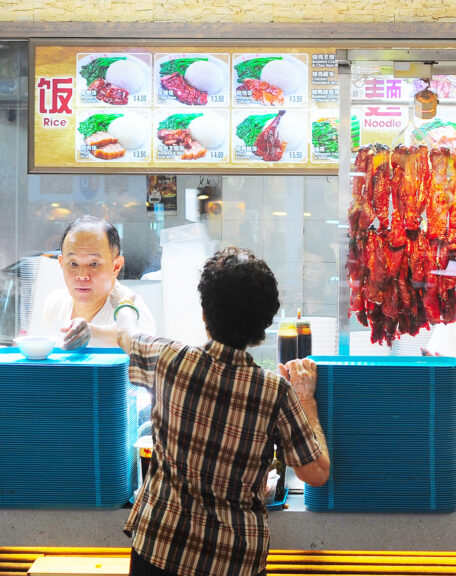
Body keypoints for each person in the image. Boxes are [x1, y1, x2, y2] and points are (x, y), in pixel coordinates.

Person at [64, 247, 330, 576]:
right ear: (264, 323)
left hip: (158, 548)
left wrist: (125, 300)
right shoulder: (274, 391)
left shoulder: (169, 359)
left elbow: (126, 335)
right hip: (232, 562)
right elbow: (316, 474)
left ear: (205, 314)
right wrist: (308, 402)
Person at [28, 215, 156, 347]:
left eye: (94, 264)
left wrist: (94, 333)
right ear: (61, 263)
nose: (82, 275)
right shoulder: (55, 302)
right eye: (73, 264)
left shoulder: (130, 306)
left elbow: (140, 344)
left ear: (116, 266)